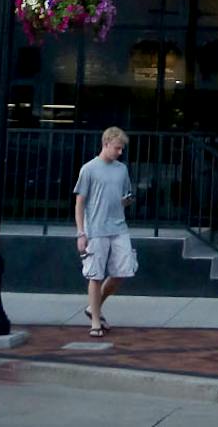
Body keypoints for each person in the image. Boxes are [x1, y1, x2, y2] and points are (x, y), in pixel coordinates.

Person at [74, 125, 137, 338]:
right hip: (96, 229)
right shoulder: (89, 169)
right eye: (117, 148)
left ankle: (94, 306)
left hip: (118, 226)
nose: (120, 152)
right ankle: (95, 320)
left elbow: (126, 196)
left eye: (122, 149)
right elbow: (80, 202)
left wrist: (126, 201)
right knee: (95, 274)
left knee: (123, 269)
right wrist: (81, 233)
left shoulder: (122, 169)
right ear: (106, 143)